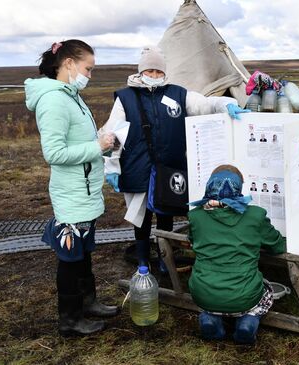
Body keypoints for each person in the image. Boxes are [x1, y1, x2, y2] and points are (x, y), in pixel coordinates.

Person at [101, 46, 249, 270]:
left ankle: (164, 259)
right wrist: (111, 167)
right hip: (137, 165)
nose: (153, 76)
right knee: (141, 217)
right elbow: (114, 134)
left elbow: (205, 104)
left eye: (158, 71)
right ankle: (142, 259)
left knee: (166, 213)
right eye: (149, 71)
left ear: (164, 72)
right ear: (141, 71)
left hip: (169, 167)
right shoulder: (126, 98)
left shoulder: (178, 94)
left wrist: (225, 103)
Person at [24, 40, 119, 337]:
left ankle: (87, 302)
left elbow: (79, 142)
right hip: (72, 193)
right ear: (68, 63)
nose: (90, 75)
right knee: (70, 257)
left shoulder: (72, 96)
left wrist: (101, 142)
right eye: (88, 68)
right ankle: (70, 319)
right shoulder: (54, 100)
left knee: (83, 251)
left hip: (85, 190)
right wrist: (96, 146)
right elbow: (54, 153)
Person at [188, 165, 285, 344]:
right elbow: (277, 246)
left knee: (212, 299)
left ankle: (210, 319)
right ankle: (248, 322)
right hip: (244, 295)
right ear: (238, 187)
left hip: (204, 291)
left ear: (210, 185)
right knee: (266, 289)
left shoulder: (195, 216)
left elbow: (193, 240)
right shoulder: (255, 216)